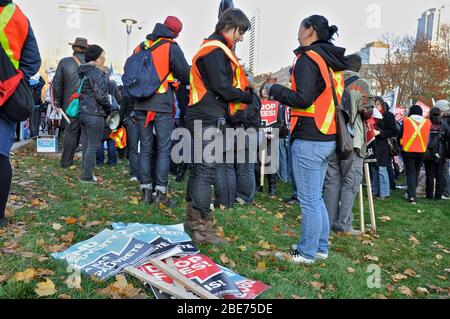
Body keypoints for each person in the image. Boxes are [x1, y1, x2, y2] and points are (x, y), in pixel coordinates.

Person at [266, 15, 347, 264]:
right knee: (316, 197)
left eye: (300, 27)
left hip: (310, 137)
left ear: (310, 30)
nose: (297, 33)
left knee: (309, 199)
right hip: (328, 136)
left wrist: (274, 90)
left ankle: (306, 252)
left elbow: (302, 98)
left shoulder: (307, 58)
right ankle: (319, 247)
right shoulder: (331, 61)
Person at [185, 8, 253, 244]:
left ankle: (193, 222)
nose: (241, 38)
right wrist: (246, 96)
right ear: (229, 26)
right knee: (205, 171)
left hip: (202, 114)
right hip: (207, 117)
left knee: (199, 170)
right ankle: (202, 230)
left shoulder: (212, 48)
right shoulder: (214, 50)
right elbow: (222, 87)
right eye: (240, 32)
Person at [133, 16, 190, 207]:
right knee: (164, 150)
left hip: (141, 104)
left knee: (146, 149)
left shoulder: (140, 46)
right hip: (162, 105)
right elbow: (185, 75)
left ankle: (146, 192)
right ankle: (161, 194)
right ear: (175, 33)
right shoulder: (171, 47)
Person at [0, 0, 41, 228]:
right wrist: (14, 80)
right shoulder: (17, 15)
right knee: (0, 155)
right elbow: (33, 61)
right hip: (5, 95)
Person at [323, 54, 373, 236]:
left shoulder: (330, 81)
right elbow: (366, 112)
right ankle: (343, 225)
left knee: (331, 182)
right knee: (350, 182)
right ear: (358, 67)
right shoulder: (361, 84)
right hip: (352, 140)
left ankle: (327, 222)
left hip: (329, 137)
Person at [78, 45, 115, 183]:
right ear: (96, 58)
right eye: (102, 56)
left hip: (83, 112)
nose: (104, 58)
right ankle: (87, 176)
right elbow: (101, 96)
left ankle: (86, 171)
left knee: (87, 145)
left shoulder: (84, 71)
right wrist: (110, 109)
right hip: (94, 113)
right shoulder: (96, 73)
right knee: (93, 146)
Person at [53, 37, 89, 168]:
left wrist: (57, 102)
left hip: (70, 104)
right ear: (86, 49)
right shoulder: (92, 63)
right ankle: (88, 165)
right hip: (89, 105)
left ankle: (66, 162)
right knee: (87, 134)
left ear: (74, 48)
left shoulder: (64, 62)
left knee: (70, 133)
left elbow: (57, 84)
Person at [399, 105, 432, 204]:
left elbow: (400, 134)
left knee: (410, 173)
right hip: (421, 150)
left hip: (408, 150)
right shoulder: (427, 122)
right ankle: (412, 193)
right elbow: (428, 137)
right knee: (416, 172)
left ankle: (412, 196)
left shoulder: (406, 121)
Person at [371, 97, 397, 200]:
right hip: (372, 145)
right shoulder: (370, 116)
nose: (375, 107)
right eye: (374, 105)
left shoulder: (388, 116)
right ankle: (376, 191)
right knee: (374, 169)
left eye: (377, 104)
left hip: (383, 145)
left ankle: (384, 193)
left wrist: (380, 133)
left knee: (382, 169)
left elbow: (393, 131)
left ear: (382, 105)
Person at [424, 107, 449, 200]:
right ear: (439, 114)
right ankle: (438, 195)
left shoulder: (426, 124)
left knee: (429, 174)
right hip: (441, 152)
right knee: (440, 174)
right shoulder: (444, 125)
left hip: (429, 152)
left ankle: (429, 194)